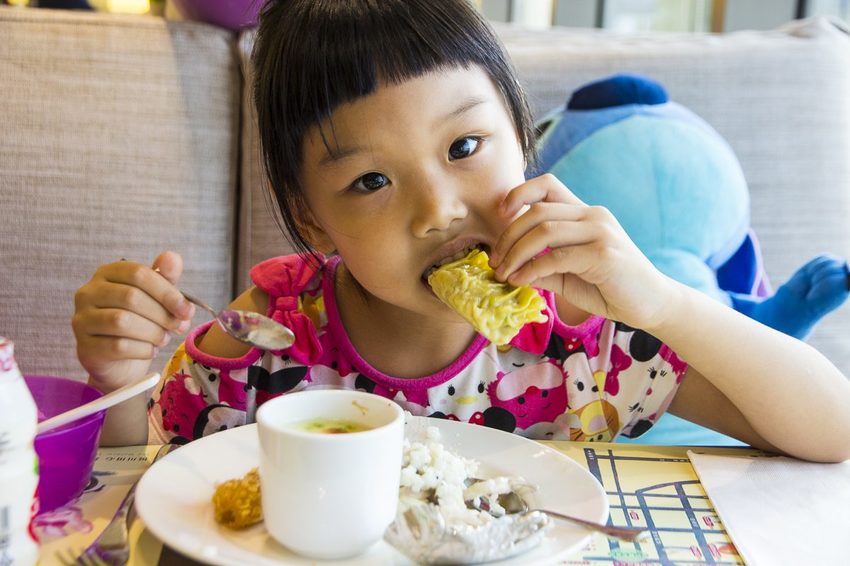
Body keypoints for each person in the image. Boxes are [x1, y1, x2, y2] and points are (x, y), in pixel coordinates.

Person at [72, 0, 850, 462]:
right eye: (371, 181)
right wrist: (118, 386)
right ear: (310, 214)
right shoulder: (271, 335)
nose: (439, 209)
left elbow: (831, 431)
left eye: (465, 148)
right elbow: (155, 474)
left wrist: (666, 305)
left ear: (521, 135)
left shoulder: (580, 335)